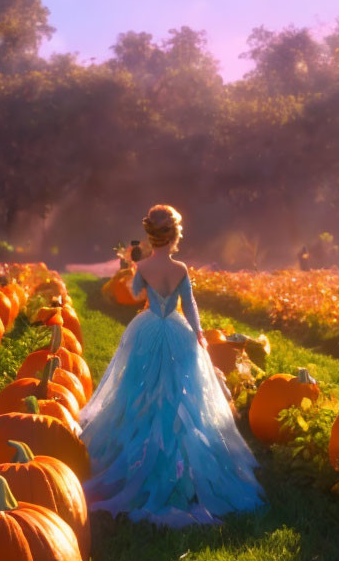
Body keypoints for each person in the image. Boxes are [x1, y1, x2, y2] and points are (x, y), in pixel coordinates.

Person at [80, 204, 265, 527]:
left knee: (138, 385)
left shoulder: (144, 268)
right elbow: (190, 305)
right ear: (175, 235)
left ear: (151, 236)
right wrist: (198, 335)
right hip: (177, 329)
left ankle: (136, 452)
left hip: (149, 327)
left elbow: (136, 295)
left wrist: (133, 267)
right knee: (183, 390)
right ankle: (183, 464)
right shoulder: (180, 269)